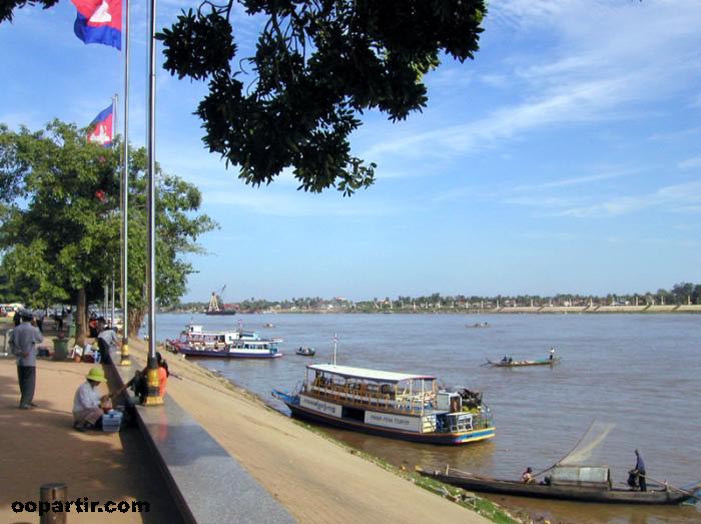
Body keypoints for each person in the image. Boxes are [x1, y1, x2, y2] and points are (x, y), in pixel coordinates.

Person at [11, 308, 43, 409]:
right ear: (31, 319)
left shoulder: (16, 329)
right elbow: (40, 339)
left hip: (20, 359)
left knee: (22, 380)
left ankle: (26, 399)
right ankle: (25, 402)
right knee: (30, 381)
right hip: (30, 359)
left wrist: (18, 352)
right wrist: (36, 326)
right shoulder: (33, 329)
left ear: (22, 318)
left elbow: (11, 342)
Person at [72, 367, 112, 431]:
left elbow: (98, 398)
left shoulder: (94, 387)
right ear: (94, 380)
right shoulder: (83, 388)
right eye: (98, 380)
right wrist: (100, 404)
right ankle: (80, 423)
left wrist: (104, 398)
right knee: (100, 411)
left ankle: (90, 422)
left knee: (106, 406)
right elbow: (87, 405)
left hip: (89, 410)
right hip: (80, 412)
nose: (100, 382)